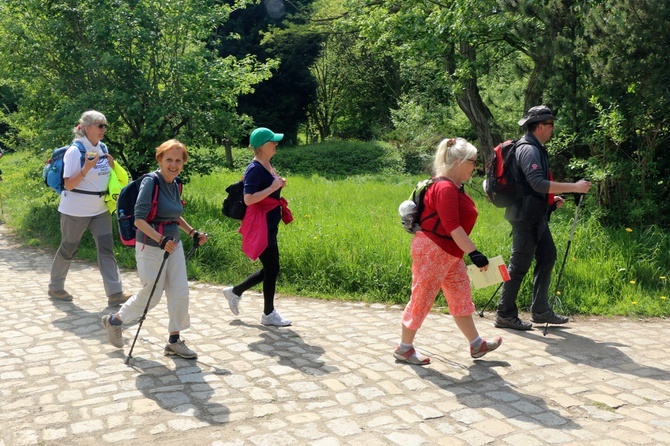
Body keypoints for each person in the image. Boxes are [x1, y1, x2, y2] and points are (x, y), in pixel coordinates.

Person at [394, 137, 502, 365]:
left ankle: (476, 344)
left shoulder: (453, 186)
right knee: (422, 298)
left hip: (450, 252)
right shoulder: (444, 188)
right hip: (434, 250)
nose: (476, 166)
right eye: (472, 162)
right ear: (460, 162)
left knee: (461, 296)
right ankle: (404, 349)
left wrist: (468, 252)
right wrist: (475, 253)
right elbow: (453, 226)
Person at [102, 139, 209, 359]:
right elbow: (139, 220)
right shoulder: (151, 182)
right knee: (152, 295)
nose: (174, 164)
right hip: (150, 245)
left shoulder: (175, 183)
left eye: (178, 160)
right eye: (169, 159)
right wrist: (160, 240)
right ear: (159, 159)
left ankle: (174, 341)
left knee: (180, 292)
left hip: (174, 244)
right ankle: (115, 321)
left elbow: (174, 214)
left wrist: (192, 233)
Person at [495, 106, 592, 330]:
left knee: (548, 256)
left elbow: (532, 186)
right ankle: (504, 314)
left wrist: (550, 199)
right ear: (540, 126)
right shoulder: (529, 149)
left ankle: (540, 310)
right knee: (518, 266)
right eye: (551, 125)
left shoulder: (535, 147)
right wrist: (574, 187)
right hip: (525, 217)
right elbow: (537, 183)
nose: (553, 129)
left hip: (535, 214)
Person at [48, 110, 132, 307]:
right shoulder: (74, 151)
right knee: (68, 248)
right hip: (74, 211)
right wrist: (86, 167)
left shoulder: (102, 147)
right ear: (86, 128)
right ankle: (55, 286)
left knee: (107, 250)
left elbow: (106, 177)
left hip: (100, 209)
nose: (104, 129)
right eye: (99, 125)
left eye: (105, 125)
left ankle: (115, 293)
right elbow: (68, 184)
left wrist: (111, 166)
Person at [222, 127, 293, 327]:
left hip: (269, 223)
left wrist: (278, 183)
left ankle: (235, 292)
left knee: (271, 268)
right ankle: (268, 314)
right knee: (272, 267)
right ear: (262, 146)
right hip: (260, 224)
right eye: (273, 142)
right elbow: (249, 198)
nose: (276, 144)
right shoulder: (254, 169)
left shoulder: (267, 164)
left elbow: (270, 188)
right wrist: (273, 187)